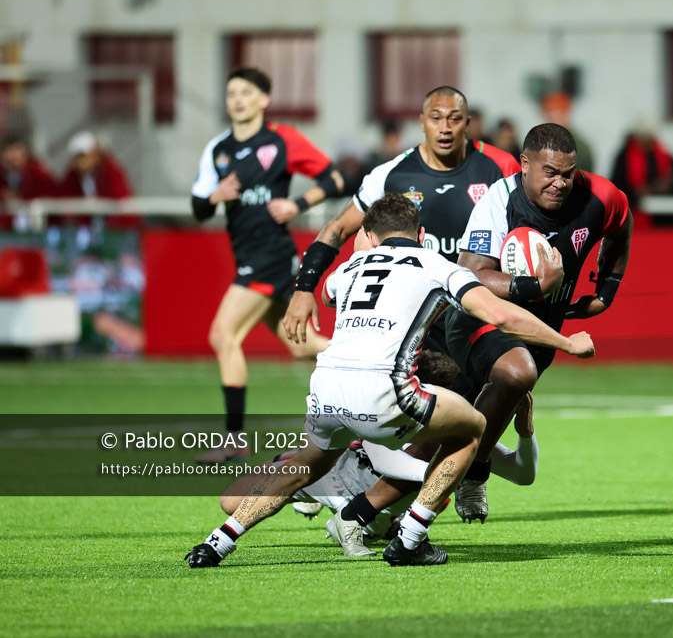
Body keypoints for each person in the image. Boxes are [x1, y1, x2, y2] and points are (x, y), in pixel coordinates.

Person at [185, 193, 594, 568]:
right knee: (474, 427)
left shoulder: (350, 266)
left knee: (303, 467)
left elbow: (327, 293)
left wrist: (363, 251)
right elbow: (502, 315)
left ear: (368, 235)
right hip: (383, 393)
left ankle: (217, 543)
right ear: (421, 234)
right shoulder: (437, 266)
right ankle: (411, 540)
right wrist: (566, 342)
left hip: (325, 388)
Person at [447, 122, 632, 523]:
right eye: (549, 173)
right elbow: (472, 274)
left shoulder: (601, 196)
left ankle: (374, 512)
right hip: (480, 322)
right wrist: (535, 285)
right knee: (515, 375)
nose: (560, 183)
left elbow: (622, 226)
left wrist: (606, 289)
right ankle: (471, 477)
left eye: (568, 173)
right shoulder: (500, 199)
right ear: (525, 164)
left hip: (543, 329)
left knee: (449, 434)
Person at [219, 352, 541, 559]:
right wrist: (441, 476)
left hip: (370, 509)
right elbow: (385, 461)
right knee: (231, 502)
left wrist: (526, 433)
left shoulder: (454, 431)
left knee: (446, 455)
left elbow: (521, 475)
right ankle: (296, 465)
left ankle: (357, 517)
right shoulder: (384, 410)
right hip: (337, 478)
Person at [281, 85, 520, 356]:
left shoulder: (502, 166)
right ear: (421, 122)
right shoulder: (391, 174)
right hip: (415, 316)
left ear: (467, 123)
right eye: (435, 118)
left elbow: (526, 232)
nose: (445, 127)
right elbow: (337, 227)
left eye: (454, 119)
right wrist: (303, 288)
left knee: (510, 378)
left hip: (477, 313)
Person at [190, 67, 345, 463]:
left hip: (270, 257)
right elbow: (198, 208)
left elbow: (334, 179)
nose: (237, 99)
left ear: (264, 99)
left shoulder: (281, 138)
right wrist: (214, 198)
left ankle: (233, 439)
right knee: (302, 348)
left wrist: (297, 204)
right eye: (231, 93)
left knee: (223, 335)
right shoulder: (217, 150)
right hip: (250, 257)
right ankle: (378, 363)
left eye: (245, 92)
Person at [60, 130, 137, 229]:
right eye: (76, 157)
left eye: (82, 156)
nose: (79, 162)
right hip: (87, 230)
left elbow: (121, 200)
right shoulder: (72, 176)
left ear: (95, 155)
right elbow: (64, 199)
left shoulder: (110, 172)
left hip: (113, 229)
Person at [609, 120, 673, 228]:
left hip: (659, 214)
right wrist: (636, 192)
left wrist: (664, 186)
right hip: (633, 209)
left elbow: (672, 175)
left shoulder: (661, 154)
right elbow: (616, 186)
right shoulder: (624, 157)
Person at [0, 134, 57, 231]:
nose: (14, 155)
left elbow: (53, 195)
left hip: (36, 229)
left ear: (25, 152)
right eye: (10, 150)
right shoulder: (2, 176)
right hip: (6, 231)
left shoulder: (38, 174)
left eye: (17, 149)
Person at [540, 92, 594, 172]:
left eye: (558, 114)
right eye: (550, 116)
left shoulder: (580, 147)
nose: (553, 120)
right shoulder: (539, 142)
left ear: (566, 114)